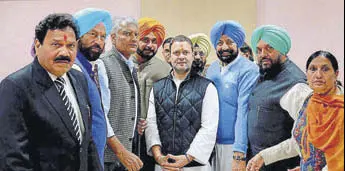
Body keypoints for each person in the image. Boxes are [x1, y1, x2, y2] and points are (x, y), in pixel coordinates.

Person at [0, 13, 102, 171]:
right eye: (56, 45)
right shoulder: (15, 87)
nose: (65, 53)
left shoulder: (79, 79)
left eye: (71, 46)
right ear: (37, 45)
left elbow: (86, 142)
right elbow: (13, 159)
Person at [247, 50, 344, 171]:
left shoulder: (340, 108)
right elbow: (299, 142)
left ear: (336, 74)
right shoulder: (308, 103)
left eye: (325, 69)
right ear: (307, 75)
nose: (318, 75)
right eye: (313, 69)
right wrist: (263, 156)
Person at [145, 35, 219, 171]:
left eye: (186, 52)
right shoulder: (157, 87)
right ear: (169, 57)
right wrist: (159, 157)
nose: (181, 56)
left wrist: (186, 158)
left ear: (192, 56)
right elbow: (151, 124)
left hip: (196, 166)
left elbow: (209, 128)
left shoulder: (208, 87)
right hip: (164, 166)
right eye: (176, 53)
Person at [247, 25, 306, 170]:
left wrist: (266, 156)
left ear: (282, 49)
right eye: (259, 50)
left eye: (269, 48)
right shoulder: (266, 72)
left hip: (283, 165)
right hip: (259, 163)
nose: (263, 54)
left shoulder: (295, 85)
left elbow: (305, 136)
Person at [206, 20, 259, 171]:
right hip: (212, 144)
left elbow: (244, 110)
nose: (224, 47)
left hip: (234, 145)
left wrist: (239, 152)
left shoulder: (249, 70)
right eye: (220, 42)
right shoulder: (213, 69)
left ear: (238, 43)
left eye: (230, 42)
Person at [97, 16, 143, 171]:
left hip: (128, 153)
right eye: (127, 33)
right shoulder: (103, 64)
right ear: (113, 37)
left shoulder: (132, 65)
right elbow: (101, 115)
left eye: (136, 35)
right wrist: (121, 151)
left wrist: (136, 122)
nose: (133, 39)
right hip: (109, 157)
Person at [73, 8, 112, 166]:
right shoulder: (73, 70)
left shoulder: (89, 69)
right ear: (78, 36)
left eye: (103, 37)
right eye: (93, 34)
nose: (99, 41)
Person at [133, 17, 171, 171]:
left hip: (152, 139)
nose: (150, 45)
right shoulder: (124, 63)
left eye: (154, 41)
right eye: (145, 39)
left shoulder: (165, 70)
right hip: (124, 136)